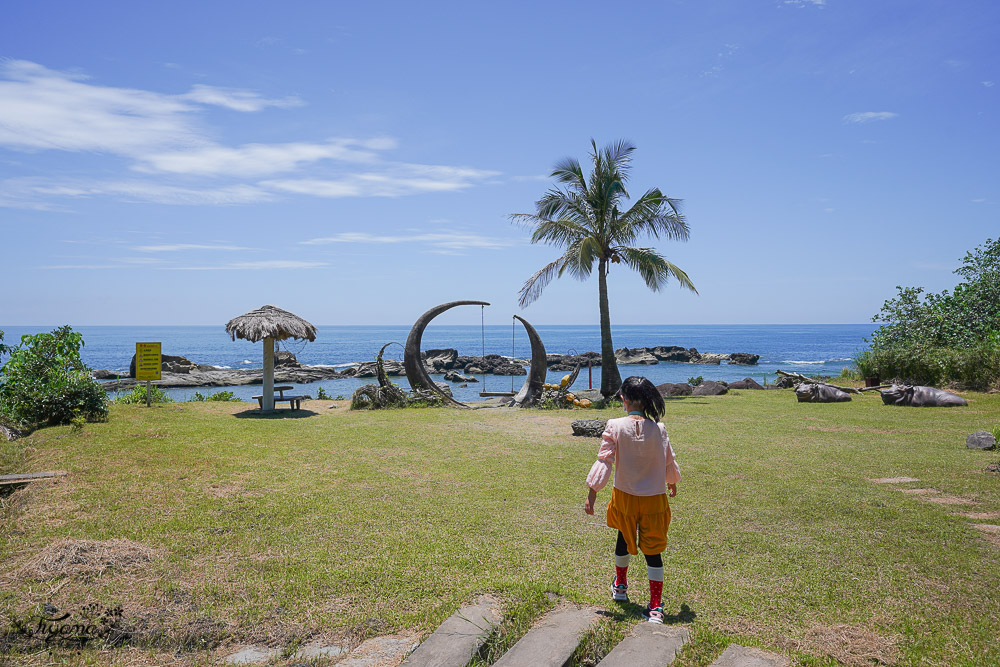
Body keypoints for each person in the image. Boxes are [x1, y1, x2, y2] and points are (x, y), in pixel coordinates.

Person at [584, 376, 680, 624]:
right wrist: (672, 482)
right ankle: (656, 607)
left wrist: (592, 494)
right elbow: (667, 460)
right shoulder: (659, 429)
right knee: (654, 549)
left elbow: (604, 460)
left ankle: (621, 586)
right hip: (654, 499)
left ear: (624, 400)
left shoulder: (614, 425)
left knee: (622, 537)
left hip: (624, 496)